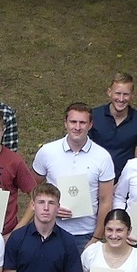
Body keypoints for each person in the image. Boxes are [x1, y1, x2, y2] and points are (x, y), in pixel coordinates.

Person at [31, 103, 116, 246]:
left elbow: (106, 200)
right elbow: (32, 188)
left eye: (82, 122)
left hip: (85, 234)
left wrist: (96, 237)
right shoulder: (47, 151)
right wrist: (50, 208)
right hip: (50, 229)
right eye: (73, 122)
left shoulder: (103, 157)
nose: (77, 127)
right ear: (65, 123)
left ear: (90, 125)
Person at [89, 73, 137, 179]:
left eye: (126, 94)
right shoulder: (93, 116)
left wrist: (120, 187)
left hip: (124, 182)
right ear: (109, 92)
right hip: (94, 177)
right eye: (117, 93)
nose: (121, 99)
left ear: (133, 95)